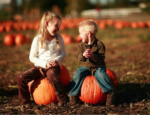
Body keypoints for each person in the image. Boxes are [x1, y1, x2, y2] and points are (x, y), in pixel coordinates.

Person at [17, 11, 68, 106]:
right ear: (47, 24)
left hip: (53, 67)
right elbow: (32, 57)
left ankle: (63, 99)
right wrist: (44, 64)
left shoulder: (59, 38)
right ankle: (25, 100)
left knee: (53, 76)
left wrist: (57, 60)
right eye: (56, 25)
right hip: (40, 67)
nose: (58, 28)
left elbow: (63, 53)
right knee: (21, 78)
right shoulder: (37, 39)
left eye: (59, 25)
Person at [69, 19, 115, 106]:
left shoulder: (99, 44)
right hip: (85, 66)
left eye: (81, 33)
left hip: (98, 66)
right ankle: (73, 95)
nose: (79, 35)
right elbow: (78, 57)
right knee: (78, 74)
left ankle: (109, 93)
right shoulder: (81, 45)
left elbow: (102, 58)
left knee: (102, 75)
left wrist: (93, 56)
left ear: (89, 34)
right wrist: (83, 55)